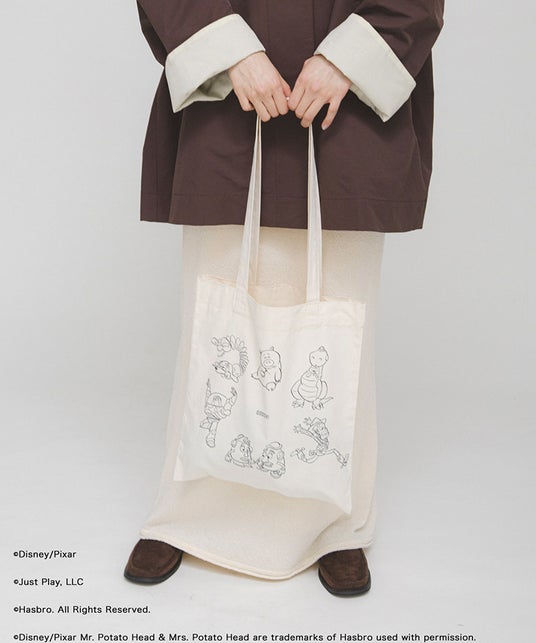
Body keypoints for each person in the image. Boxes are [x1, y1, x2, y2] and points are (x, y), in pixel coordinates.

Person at [124, 0, 444, 596]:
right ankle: (186, 510)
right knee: (213, 316)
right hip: (229, 92)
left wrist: (347, 61)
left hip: (346, 103)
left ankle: (336, 523)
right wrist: (230, 51)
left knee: (342, 320)